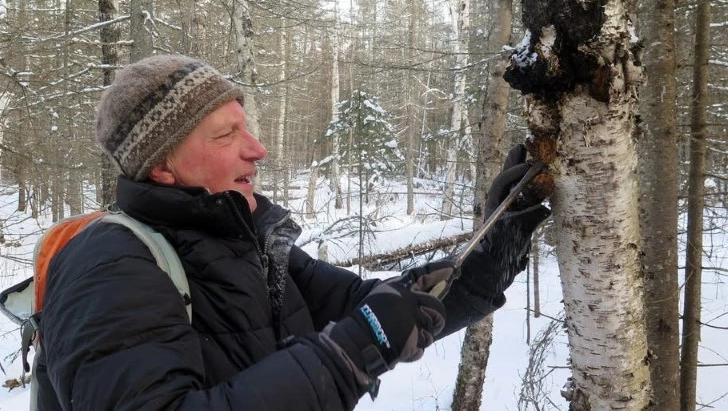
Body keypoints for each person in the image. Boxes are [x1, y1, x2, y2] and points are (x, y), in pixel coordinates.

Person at [37, 54, 550, 410]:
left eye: (247, 127)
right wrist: (346, 355)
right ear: (162, 166)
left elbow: (378, 307)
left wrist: (500, 237)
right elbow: (360, 334)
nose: (257, 149)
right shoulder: (108, 266)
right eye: (226, 135)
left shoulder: (251, 242)